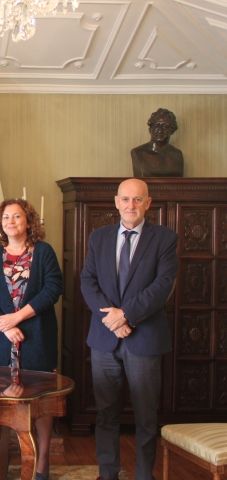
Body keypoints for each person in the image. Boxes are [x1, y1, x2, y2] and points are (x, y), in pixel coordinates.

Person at [81, 178, 178, 480]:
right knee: (106, 414)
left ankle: (144, 476)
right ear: (116, 202)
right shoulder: (99, 238)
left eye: (137, 200)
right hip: (104, 338)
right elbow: (88, 281)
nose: (130, 205)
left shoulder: (165, 239)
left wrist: (127, 316)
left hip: (144, 338)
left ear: (148, 203)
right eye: (125, 199)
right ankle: (108, 473)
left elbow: (163, 286)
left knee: (146, 417)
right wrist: (112, 319)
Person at [0, 198, 62, 480]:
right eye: (6, 218)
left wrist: (18, 317)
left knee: (41, 406)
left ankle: (42, 465)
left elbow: (52, 289)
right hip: (1, 343)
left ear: (28, 221)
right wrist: (6, 326)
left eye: (16, 217)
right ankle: (0, 466)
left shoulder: (44, 252)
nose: (10, 222)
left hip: (38, 340)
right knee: (1, 408)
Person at [131, 108, 184, 177]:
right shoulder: (138, 152)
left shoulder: (177, 155)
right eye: (156, 126)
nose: (160, 131)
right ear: (150, 129)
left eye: (164, 126)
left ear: (172, 130)